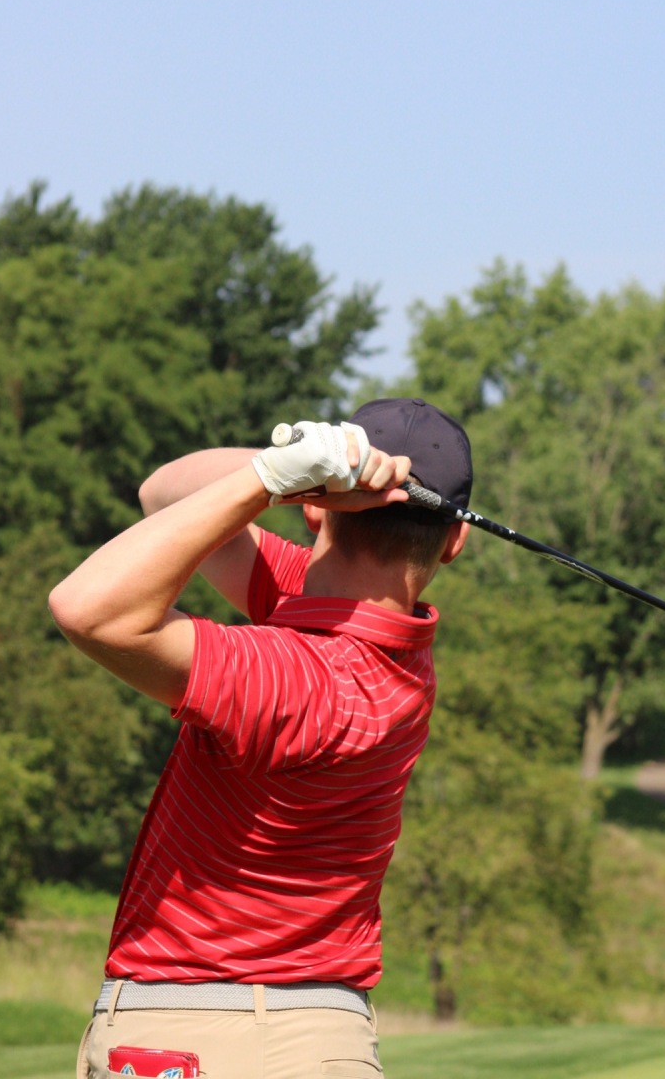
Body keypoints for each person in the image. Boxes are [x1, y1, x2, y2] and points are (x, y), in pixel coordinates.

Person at [49, 396, 473, 1079]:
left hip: (207, 1035)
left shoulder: (300, 678)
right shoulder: (386, 647)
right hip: (315, 1036)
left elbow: (86, 609)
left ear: (315, 510)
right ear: (454, 542)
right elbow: (164, 493)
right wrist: (277, 471)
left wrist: (275, 477)